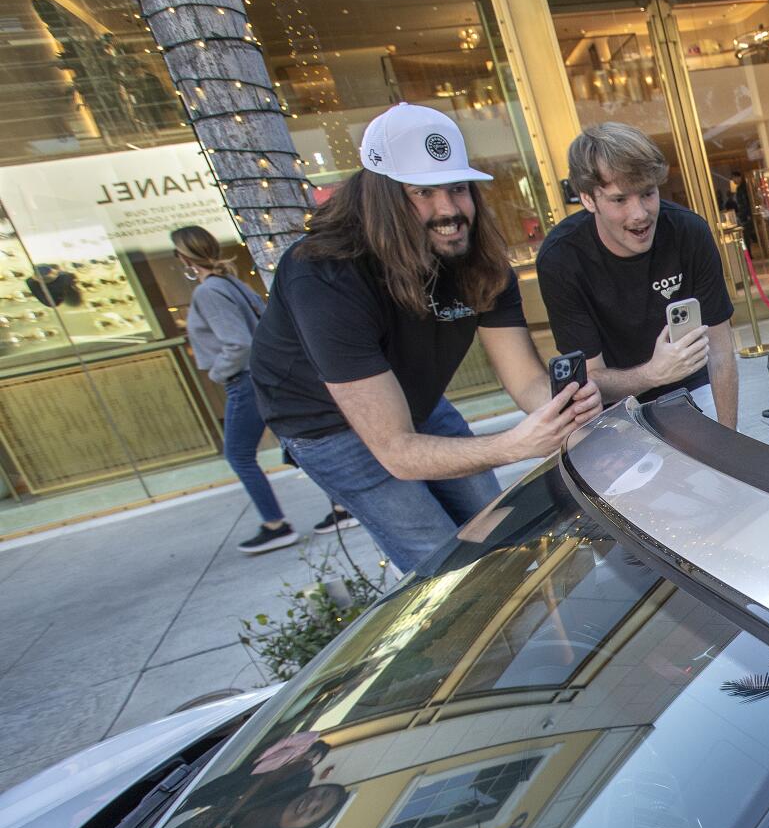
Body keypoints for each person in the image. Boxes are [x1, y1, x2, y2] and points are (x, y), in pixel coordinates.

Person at [249, 103, 603, 574]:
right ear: (383, 197)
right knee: (438, 558)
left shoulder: (476, 258)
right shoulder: (323, 274)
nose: (449, 211)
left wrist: (564, 410)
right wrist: (517, 444)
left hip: (413, 396)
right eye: (424, 192)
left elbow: (525, 382)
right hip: (325, 423)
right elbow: (396, 452)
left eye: (458, 189)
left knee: (497, 528)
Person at [535, 123, 739, 428]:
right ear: (588, 199)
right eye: (620, 200)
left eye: (647, 193)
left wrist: (730, 442)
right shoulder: (561, 258)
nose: (640, 213)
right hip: (614, 407)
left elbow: (721, 354)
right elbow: (590, 380)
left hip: (692, 385)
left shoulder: (689, 232)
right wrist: (654, 373)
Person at [173, 225, 353, 554]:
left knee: (239, 454)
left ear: (185, 257)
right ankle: (343, 505)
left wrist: (217, 372)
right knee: (295, 444)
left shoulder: (209, 291)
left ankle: (275, 524)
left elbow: (238, 343)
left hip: (246, 379)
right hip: (268, 376)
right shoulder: (232, 283)